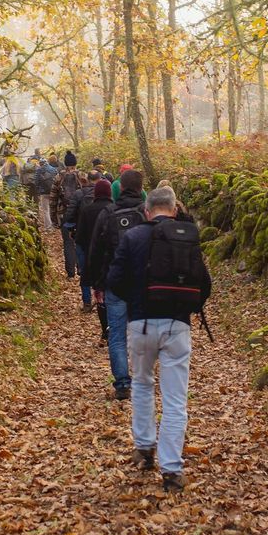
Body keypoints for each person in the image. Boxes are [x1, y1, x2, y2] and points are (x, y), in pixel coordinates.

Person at [106, 185, 212, 492]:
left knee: (141, 384)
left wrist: (137, 302)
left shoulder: (133, 237)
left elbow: (114, 281)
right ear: (175, 209)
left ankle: (144, 449)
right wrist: (185, 309)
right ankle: (172, 469)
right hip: (178, 325)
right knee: (175, 398)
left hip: (140, 324)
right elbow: (204, 284)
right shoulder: (187, 238)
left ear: (146, 210)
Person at [87, 169, 147, 400]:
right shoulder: (147, 213)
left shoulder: (108, 213)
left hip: (115, 283)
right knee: (142, 331)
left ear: (120, 187)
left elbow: (96, 250)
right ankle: (142, 377)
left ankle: (122, 383)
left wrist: (96, 283)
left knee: (117, 335)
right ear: (141, 188)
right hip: (142, 283)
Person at [77, 177, 114, 325]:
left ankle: (105, 327)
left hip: (92, 256)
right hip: (111, 256)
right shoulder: (115, 209)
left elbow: (79, 237)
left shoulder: (87, 210)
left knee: (99, 291)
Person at [50, 151, 82, 277]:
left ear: (65, 164)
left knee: (68, 243)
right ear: (75, 163)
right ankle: (80, 267)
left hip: (64, 214)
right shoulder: (82, 175)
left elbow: (53, 199)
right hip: (80, 215)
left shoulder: (59, 177)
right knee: (80, 241)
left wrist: (54, 218)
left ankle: (70, 272)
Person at [34, 156, 58, 229]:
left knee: (45, 210)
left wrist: (38, 191)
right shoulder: (54, 169)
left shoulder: (38, 170)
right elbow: (57, 180)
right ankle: (55, 223)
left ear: (40, 163)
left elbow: (36, 182)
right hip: (53, 191)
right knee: (53, 208)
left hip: (44, 192)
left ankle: (48, 226)